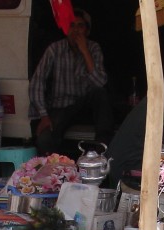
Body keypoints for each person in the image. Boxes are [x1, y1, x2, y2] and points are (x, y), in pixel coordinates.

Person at [28, 8, 113, 155]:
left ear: (87, 30)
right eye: (71, 25)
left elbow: (100, 82)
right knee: (44, 140)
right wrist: (44, 116)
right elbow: (37, 82)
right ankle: (55, 170)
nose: (76, 30)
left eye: (80, 26)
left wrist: (85, 51)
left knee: (100, 94)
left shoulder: (93, 48)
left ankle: (102, 148)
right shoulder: (55, 49)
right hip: (61, 107)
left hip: (85, 106)